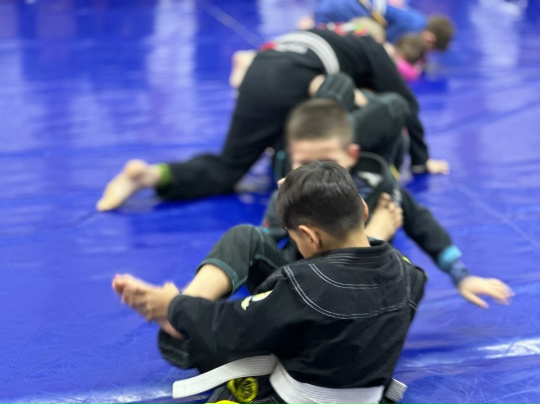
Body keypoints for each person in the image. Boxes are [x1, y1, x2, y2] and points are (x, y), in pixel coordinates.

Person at [113, 161, 428, 404]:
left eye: (296, 238)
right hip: (353, 375)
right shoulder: (411, 276)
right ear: (363, 209)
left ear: (309, 236)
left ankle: (177, 322)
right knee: (247, 237)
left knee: (186, 337)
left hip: (295, 389)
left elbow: (230, 327)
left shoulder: (302, 286)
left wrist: (175, 307)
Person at [96, 26, 449, 212]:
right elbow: (406, 103)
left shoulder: (328, 33)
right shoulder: (371, 47)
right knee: (339, 112)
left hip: (260, 71)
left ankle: (150, 175)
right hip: (296, 81)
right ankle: (300, 178)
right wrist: (421, 161)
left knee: (229, 167)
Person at [264, 98, 513, 308]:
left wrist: (461, 276)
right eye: (304, 164)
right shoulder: (285, 202)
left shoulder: (380, 189)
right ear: (291, 158)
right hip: (311, 299)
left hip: (369, 296)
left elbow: (423, 225)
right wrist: (373, 236)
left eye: (327, 161)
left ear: (351, 155)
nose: (314, 173)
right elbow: (268, 259)